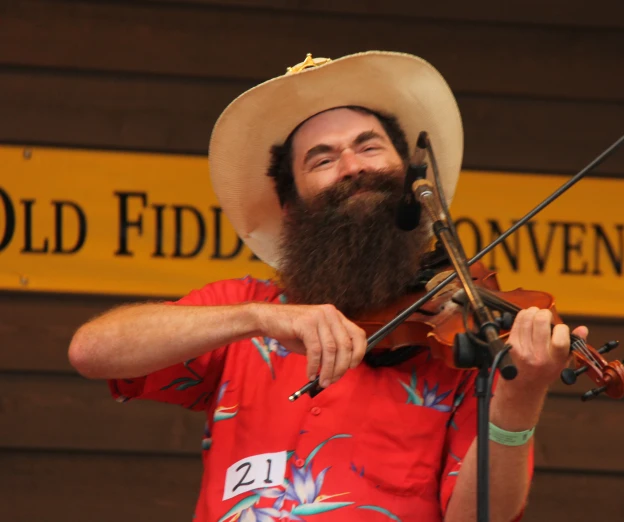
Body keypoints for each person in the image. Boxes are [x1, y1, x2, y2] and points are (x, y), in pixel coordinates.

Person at [68, 51, 586, 522]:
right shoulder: (244, 311)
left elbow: (480, 518)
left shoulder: (461, 344)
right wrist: (258, 318)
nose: (353, 167)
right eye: (322, 158)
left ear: (411, 183)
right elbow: (93, 352)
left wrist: (520, 397)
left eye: (369, 147)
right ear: (290, 206)